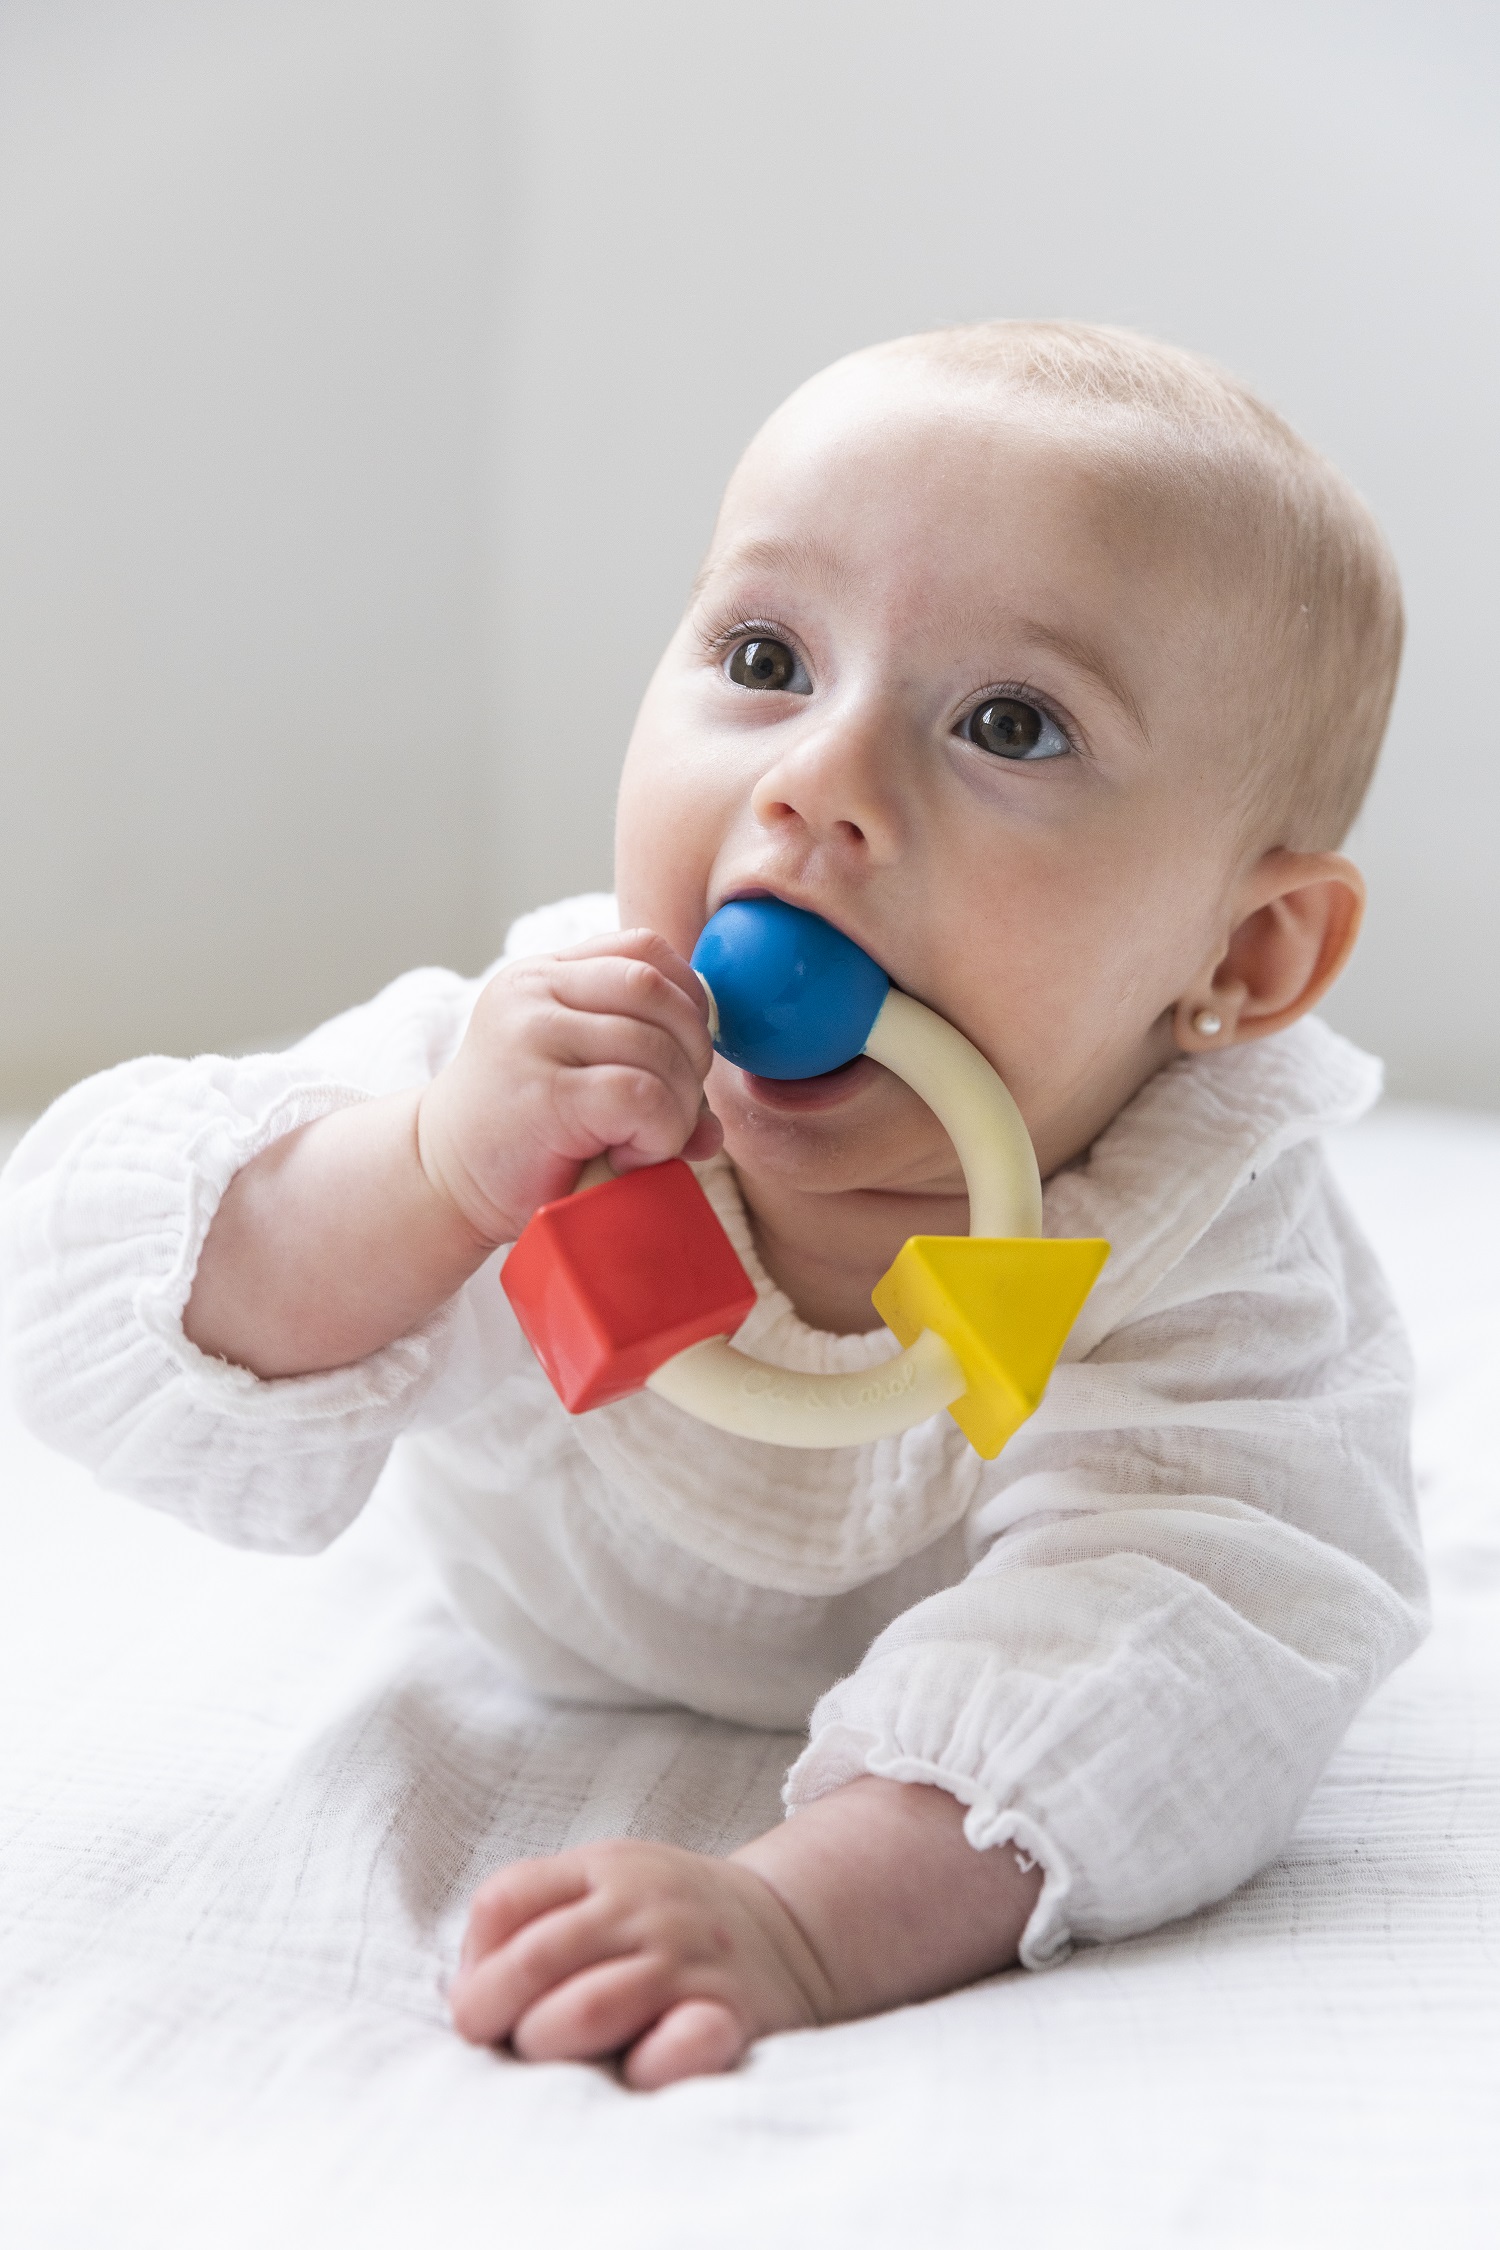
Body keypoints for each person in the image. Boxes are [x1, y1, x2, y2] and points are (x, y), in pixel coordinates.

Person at [0, 322, 1426, 2090]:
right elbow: (111, 1289)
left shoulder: (1198, 1242)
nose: (815, 779)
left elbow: (1186, 1643)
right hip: (551, 1611)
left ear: (1244, 950)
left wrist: (807, 1916)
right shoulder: (537, 1082)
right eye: (765, 654)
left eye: (1010, 722)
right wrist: (436, 1175)